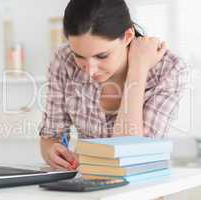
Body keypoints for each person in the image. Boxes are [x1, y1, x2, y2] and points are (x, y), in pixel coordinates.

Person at [39, 0, 188, 170]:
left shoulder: (168, 69)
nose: (89, 71)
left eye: (102, 56)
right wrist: (52, 150)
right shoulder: (64, 60)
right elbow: (50, 136)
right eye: (79, 56)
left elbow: (133, 153)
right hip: (87, 187)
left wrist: (138, 69)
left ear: (127, 37)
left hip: (141, 190)